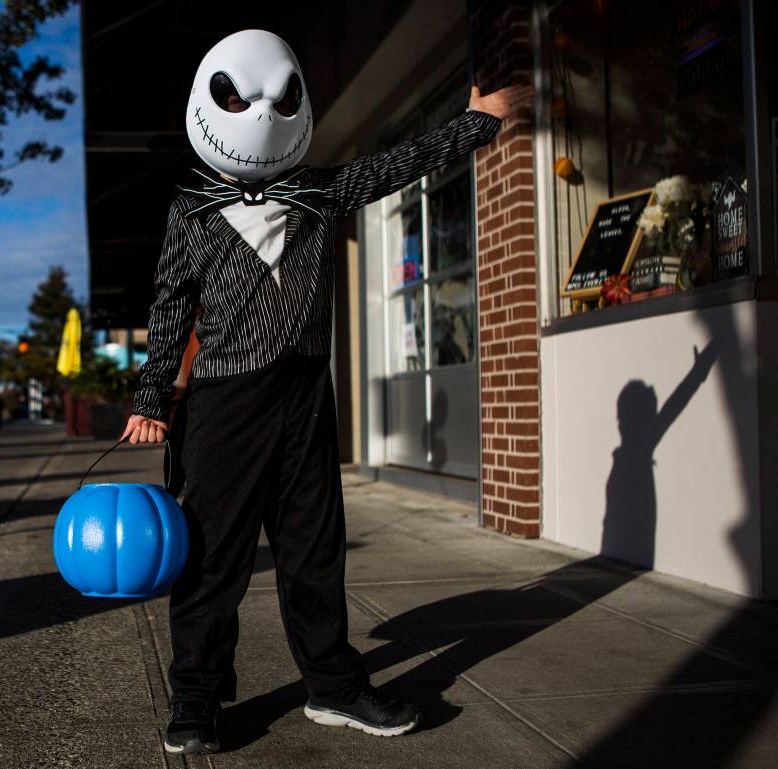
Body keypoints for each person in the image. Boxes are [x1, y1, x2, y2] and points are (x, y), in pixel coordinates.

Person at [120, 29, 532, 755]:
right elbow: (169, 306)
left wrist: (478, 123)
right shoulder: (191, 209)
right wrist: (152, 396)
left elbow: (395, 164)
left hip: (305, 395)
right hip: (223, 403)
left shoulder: (317, 190)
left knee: (315, 549)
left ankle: (334, 688)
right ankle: (196, 695)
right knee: (213, 556)